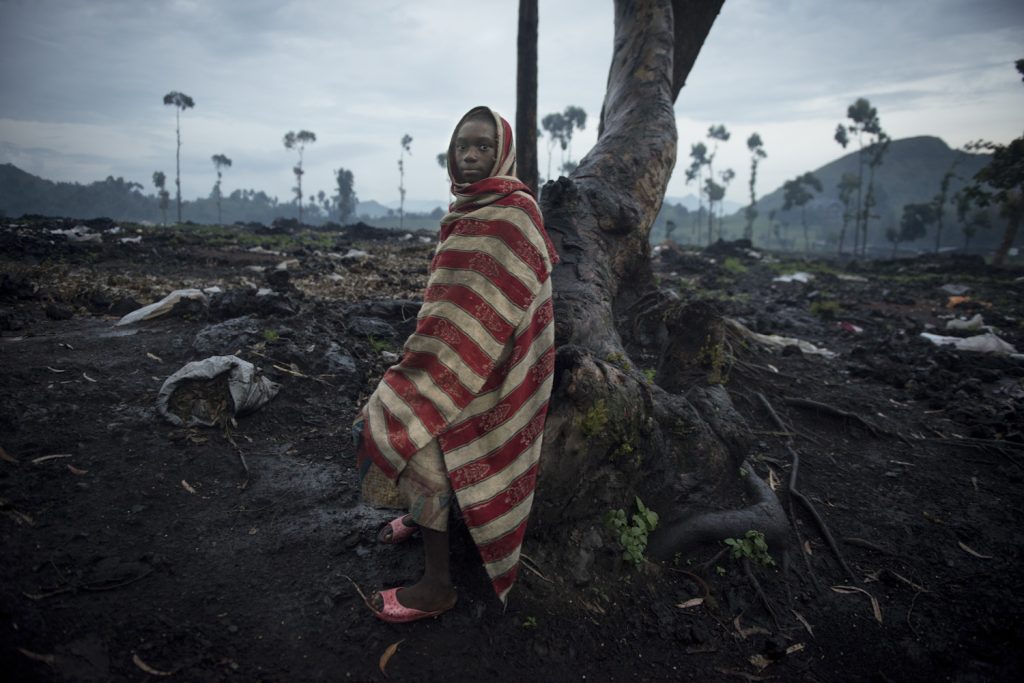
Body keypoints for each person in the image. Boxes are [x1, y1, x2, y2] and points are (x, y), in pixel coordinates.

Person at [352, 106, 559, 623]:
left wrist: (457, 362)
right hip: (455, 358)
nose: (469, 155)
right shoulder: (462, 212)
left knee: (421, 443)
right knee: (385, 411)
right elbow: (448, 304)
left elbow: (520, 310)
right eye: (461, 145)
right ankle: (424, 519)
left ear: (502, 152)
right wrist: (434, 359)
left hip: (498, 372)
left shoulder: (517, 213)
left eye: (483, 146)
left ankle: (437, 585)